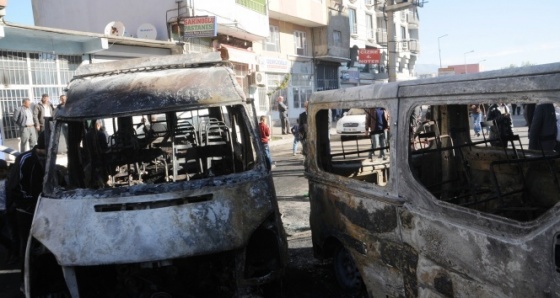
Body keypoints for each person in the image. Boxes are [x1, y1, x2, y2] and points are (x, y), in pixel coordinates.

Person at [6, 132, 47, 265]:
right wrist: (28, 202)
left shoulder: (48, 159)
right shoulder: (25, 159)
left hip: (41, 207)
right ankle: (26, 278)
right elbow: (14, 185)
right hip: (25, 210)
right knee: (26, 245)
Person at [0, 159, 18, 265]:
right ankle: (11, 248)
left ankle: (14, 254)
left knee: (13, 234)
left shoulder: (10, 182)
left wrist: (11, 208)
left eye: (1, 170)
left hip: (8, 211)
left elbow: (16, 196)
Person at [84, 120, 109, 188]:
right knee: (101, 172)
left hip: (90, 159)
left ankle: (95, 183)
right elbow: (105, 147)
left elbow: (85, 148)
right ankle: (102, 183)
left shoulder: (86, 135)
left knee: (93, 173)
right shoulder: (101, 134)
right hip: (100, 158)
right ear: (98, 125)